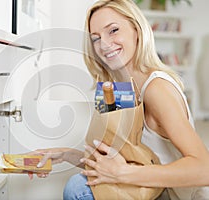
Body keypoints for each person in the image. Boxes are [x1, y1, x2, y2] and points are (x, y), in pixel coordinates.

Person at [29, 0, 209, 199]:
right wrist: (66, 154)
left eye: (113, 30)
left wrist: (122, 173)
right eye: (95, 39)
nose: (104, 45)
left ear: (137, 30)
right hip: (148, 190)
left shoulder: (157, 89)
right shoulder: (119, 90)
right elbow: (123, 160)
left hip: (171, 195)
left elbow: (203, 170)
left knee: (78, 187)